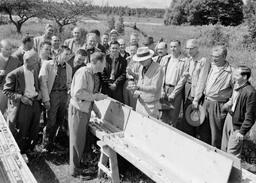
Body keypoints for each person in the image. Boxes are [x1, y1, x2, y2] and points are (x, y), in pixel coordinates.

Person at [69, 52, 107, 178]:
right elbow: (78, 93)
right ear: (98, 62)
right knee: (76, 141)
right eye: (104, 62)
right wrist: (96, 97)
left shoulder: (91, 73)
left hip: (84, 110)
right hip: (78, 110)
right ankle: (74, 171)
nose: (105, 65)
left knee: (80, 140)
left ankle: (78, 166)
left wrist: (95, 109)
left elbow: (87, 94)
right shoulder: (84, 72)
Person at [3, 50, 42, 153]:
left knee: (34, 128)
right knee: (22, 130)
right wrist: (21, 98)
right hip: (23, 105)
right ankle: (20, 152)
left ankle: (30, 149)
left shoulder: (35, 70)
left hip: (35, 103)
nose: (37, 62)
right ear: (27, 61)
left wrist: (39, 93)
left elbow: (35, 85)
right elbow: (7, 91)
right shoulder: (14, 74)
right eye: (35, 61)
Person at [196, 45, 233, 148]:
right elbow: (200, 81)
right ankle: (204, 151)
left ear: (224, 56)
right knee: (203, 129)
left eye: (217, 56)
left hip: (218, 105)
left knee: (215, 133)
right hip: (206, 102)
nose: (214, 58)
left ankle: (216, 155)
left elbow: (236, 91)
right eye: (212, 56)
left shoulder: (231, 71)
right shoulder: (210, 66)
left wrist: (228, 104)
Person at [39, 46, 72, 151]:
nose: (67, 57)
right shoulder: (48, 64)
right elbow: (43, 83)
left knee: (60, 120)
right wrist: (46, 99)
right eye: (66, 54)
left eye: (69, 54)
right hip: (52, 95)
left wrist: (69, 95)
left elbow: (69, 83)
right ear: (59, 54)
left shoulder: (69, 68)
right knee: (51, 120)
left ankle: (52, 142)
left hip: (63, 95)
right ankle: (45, 144)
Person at [221, 66, 256, 158]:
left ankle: (233, 172)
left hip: (238, 125)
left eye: (237, 75)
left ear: (244, 77)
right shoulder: (237, 85)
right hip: (230, 118)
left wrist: (242, 131)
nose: (234, 76)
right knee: (224, 148)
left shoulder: (250, 92)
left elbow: (250, 115)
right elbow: (233, 102)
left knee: (232, 154)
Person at [180, 39, 209, 137]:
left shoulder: (203, 61)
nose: (189, 50)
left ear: (197, 48)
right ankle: (187, 136)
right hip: (188, 89)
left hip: (196, 93)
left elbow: (201, 81)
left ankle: (195, 137)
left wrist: (196, 99)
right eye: (187, 48)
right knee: (187, 115)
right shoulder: (190, 59)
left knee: (195, 116)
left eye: (191, 48)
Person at [129, 47, 164, 118]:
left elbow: (155, 88)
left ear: (149, 58)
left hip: (151, 105)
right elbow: (142, 79)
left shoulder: (158, 69)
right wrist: (134, 86)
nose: (140, 62)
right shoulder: (142, 67)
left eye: (142, 60)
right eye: (139, 60)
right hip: (140, 102)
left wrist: (139, 87)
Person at [159, 40, 188, 127]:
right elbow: (160, 75)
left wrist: (174, 93)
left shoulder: (185, 61)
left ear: (180, 47)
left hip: (175, 90)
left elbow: (183, 79)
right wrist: (162, 90)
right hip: (164, 88)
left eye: (175, 47)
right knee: (162, 115)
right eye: (171, 47)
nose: (173, 49)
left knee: (173, 117)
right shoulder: (165, 58)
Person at [0, 40, 20, 115]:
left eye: (11, 49)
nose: (9, 51)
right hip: (1, 90)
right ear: (1, 48)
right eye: (7, 49)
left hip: (12, 91)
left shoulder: (15, 60)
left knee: (11, 115)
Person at [123, 43, 139, 109]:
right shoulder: (127, 60)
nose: (132, 52)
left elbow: (139, 76)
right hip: (126, 83)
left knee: (133, 105)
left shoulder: (140, 62)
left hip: (134, 83)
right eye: (131, 50)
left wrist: (131, 73)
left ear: (137, 51)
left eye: (134, 50)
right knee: (126, 104)